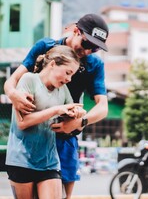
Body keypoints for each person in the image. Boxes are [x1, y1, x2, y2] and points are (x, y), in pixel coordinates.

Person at [4, 13, 109, 199]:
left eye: (95, 49)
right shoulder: (46, 47)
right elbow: (13, 81)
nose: (88, 51)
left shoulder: (95, 65)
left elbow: (102, 107)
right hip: (32, 133)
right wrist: (14, 95)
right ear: (76, 31)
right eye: (86, 44)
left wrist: (80, 122)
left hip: (64, 136)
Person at [5, 45, 85, 199]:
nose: (69, 79)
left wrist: (78, 114)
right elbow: (23, 123)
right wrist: (56, 110)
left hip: (49, 161)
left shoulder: (63, 90)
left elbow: (71, 111)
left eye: (72, 75)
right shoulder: (29, 80)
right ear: (53, 64)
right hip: (21, 160)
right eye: (68, 73)